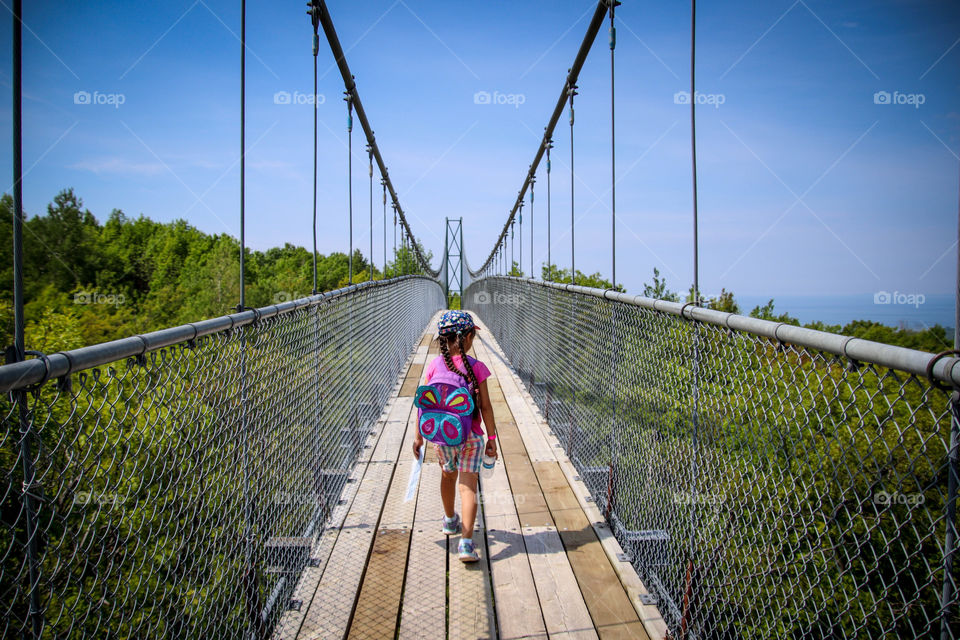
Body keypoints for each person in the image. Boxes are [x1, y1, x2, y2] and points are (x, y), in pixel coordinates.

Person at [412, 310, 498, 562]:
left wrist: (419, 437)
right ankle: (466, 544)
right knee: (468, 486)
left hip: (443, 436)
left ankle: (450, 521)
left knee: (447, 476)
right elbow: (486, 407)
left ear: (442, 340)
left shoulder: (434, 365)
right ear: (469, 338)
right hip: (470, 436)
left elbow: (424, 404)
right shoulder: (477, 368)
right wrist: (491, 440)